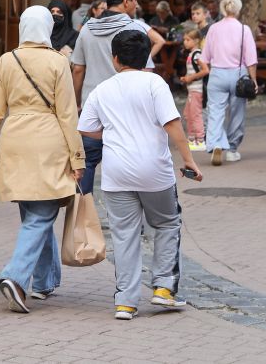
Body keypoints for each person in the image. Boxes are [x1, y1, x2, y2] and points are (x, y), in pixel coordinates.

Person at [78, 30, 202, 321]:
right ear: (146, 55)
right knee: (167, 224)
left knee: (124, 234)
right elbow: (172, 125)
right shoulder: (154, 83)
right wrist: (188, 160)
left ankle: (125, 301)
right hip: (154, 170)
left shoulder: (102, 89)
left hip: (116, 171)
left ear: (115, 58)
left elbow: (86, 128)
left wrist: (112, 133)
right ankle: (163, 288)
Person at [0, 6, 84, 314]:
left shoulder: (6, 60)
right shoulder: (58, 61)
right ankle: (15, 277)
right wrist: (77, 157)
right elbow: (68, 113)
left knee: (33, 213)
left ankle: (45, 280)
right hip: (48, 140)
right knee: (42, 215)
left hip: (14, 139)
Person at [71, 0, 165, 193]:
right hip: (127, 109)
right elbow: (145, 72)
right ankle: (128, 218)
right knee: (130, 162)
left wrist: (77, 102)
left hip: (92, 107)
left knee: (86, 165)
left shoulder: (86, 29)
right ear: (125, 1)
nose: (137, 5)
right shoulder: (134, 28)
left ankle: (82, 218)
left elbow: (78, 69)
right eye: (135, 0)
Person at [200, 0, 257, 166]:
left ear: (222, 9)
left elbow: (205, 57)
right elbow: (251, 59)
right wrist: (253, 79)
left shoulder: (213, 29)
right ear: (238, 10)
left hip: (217, 73)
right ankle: (232, 149)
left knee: (215, 111)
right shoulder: (244, 30)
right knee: (237, 112)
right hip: (238, 74)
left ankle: (217, 143)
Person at [180, 29, 208, 152]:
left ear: (196, 41)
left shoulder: (197, 54)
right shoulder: (191, 54)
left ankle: (200, 140)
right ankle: (191, 139)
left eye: (188, 40)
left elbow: (205, 70)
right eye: (184, 40)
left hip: (197, 90)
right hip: (192, 90)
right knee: (188, 114)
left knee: (195, 115)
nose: (185, 42)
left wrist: (190, 78)